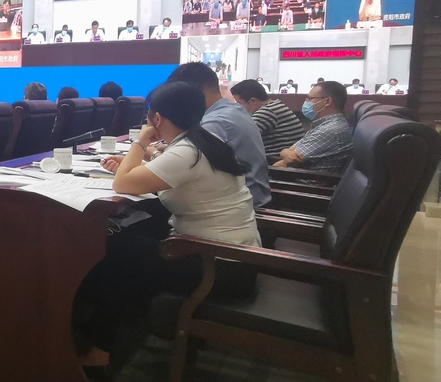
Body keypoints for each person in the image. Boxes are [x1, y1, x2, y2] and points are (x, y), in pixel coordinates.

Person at [75, 81, 259, 366]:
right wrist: (141, 159)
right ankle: (117, 329)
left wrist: (140, 141)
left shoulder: (188, 152)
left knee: (118, 248)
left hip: (218, 266)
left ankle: (99, 349)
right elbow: (166, 165)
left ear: (157, 118)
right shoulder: (204, 141)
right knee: (131, 234)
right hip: (234, 258)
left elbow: (123, 183)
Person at [167, 62, 270, 208]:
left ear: (197, 91)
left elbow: (184, 165)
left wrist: (153, 153)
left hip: (242, 205)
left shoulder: (215, 121)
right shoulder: (234, 110)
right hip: (253, 193)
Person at [275, 81, 353, 174]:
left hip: (302, 181)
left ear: (327, 101)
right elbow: (290, 151)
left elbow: (284, 164)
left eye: (309, 98)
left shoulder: (330, 130)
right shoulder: (325, 125)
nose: (306, 102)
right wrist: (284, 151)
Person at [229, 79, 304, 160]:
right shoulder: (276, 105)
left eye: (239, 103)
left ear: (252, 101)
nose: (238, 107)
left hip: (275, 162)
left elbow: (238, 138)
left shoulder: (267, 112)